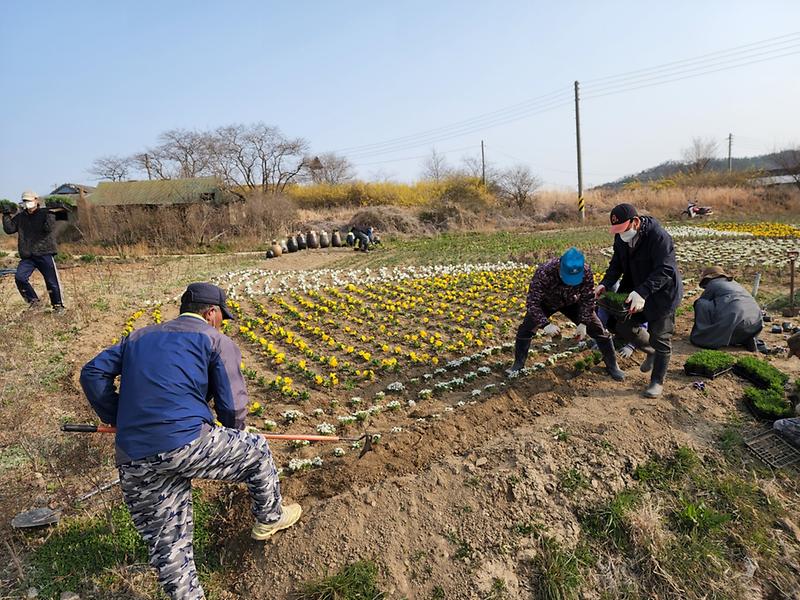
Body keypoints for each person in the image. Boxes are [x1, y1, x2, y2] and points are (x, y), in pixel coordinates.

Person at [80, 283, 301, 600]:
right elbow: (232, 407)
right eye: (222, 316)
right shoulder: (215, 339)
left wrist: (117, 416)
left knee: (170, 548)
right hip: (185, 441)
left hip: (132, 454)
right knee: (257, 450)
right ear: (211, 313)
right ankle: (270, 518)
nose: (222, 322)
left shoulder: (139, 337)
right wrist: (236, 432)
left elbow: (92, 373)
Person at [596, 203, 683, 398]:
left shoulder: (658, 237)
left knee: (660, 337)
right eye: (616, 231)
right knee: (623, 326)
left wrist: (643, 292)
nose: (620, 234)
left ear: (635, 222)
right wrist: (605, 283)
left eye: (623, 229)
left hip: (662, 295)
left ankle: (657, 381)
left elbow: (665, 270)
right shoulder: (621, 239)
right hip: (635, 289)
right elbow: (616, 265)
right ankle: (649, 349)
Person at [508, 247, 625, 381]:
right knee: (526, 329)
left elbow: (588, 298)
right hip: (547, 302)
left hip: (572, 301)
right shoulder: (544, 272)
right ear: (560, 267)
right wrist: (545, 324)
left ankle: (613, 366)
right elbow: (532, 303)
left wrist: (583, 323)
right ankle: (518, 364)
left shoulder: (585, 271)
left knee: (597, 328)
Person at [1, 190, 65, 312]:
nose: (27, 203)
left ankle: (58, 306)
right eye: (25, 201)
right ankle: (34, 303)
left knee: (51, 281)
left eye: (29, 200)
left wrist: (51, 212)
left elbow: (49, 228)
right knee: (20, 278)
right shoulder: (20, 217)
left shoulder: (44, 213)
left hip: (44, 253)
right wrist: (6, 214)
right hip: (27, 255)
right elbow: (9, 230)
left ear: (36, 200)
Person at [689, 265, 763, 350]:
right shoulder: (735, 284)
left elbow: (703, 301)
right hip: (755, 324)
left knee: (701, 303)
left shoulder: (713, 283)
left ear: (708, 279)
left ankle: (705, 334)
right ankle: (742, 339)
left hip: (735, 322)